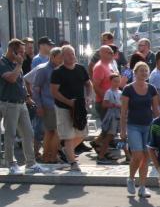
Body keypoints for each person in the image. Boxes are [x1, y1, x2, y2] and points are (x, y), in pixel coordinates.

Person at [0, 39, 42, 174]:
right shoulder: (3, 63)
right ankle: (10, 163)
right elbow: (11, 78)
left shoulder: (17, 63)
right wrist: (18, 65)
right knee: (10, 134)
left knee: (28, 133)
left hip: (21, 102)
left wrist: (27, 97)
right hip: (8, 103)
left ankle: (31, 163)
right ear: (12, 50)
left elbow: (21, 82)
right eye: (21, 52)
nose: (23, 55)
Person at [50, 45, 94, 173]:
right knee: (68, 136)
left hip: (79, 107)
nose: (71, 56)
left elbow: (88, 84)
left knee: (82, 134)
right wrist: (68, 102)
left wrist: (89, 96)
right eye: (68, 54)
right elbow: (54, 92)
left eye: (72, 53)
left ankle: (66, 151)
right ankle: (73, 162)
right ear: (62, 56)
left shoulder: (80, 69)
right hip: (63, 107)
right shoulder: (58, 72)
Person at [120, 62, 160, 196]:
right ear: (135, 73)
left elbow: (155, 110)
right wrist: (122, 130)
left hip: (148, 125)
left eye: (146, 71)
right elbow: (124, 111)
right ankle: (131, 179)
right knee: (138, 155)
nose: (143, 73)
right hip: (133, 126)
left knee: (146, 157)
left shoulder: (152, 89)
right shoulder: (128, 89)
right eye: (141, 71)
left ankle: (142, 186)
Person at [23, 47, 62, 164]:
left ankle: (49, 156)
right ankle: (49, 156)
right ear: (53, 56)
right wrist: (38, 105)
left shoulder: (58, 69)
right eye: (60, 58)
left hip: (56, 104)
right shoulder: (43, 69)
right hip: (48, 104)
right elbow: (36, 89)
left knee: (51, 132)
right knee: (53, 131)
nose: (62, 60)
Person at [96, 74, 122, 165]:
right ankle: (101, 156)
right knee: (109, 136)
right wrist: (115, 105)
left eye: (118, 81)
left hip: (119, 115)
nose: (117, 83)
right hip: (112, 116)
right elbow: (104, 104)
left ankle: (128, 156)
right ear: (111, 82)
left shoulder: (120, 92)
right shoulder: (109, 92)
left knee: (121, 136)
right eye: (115, 81)